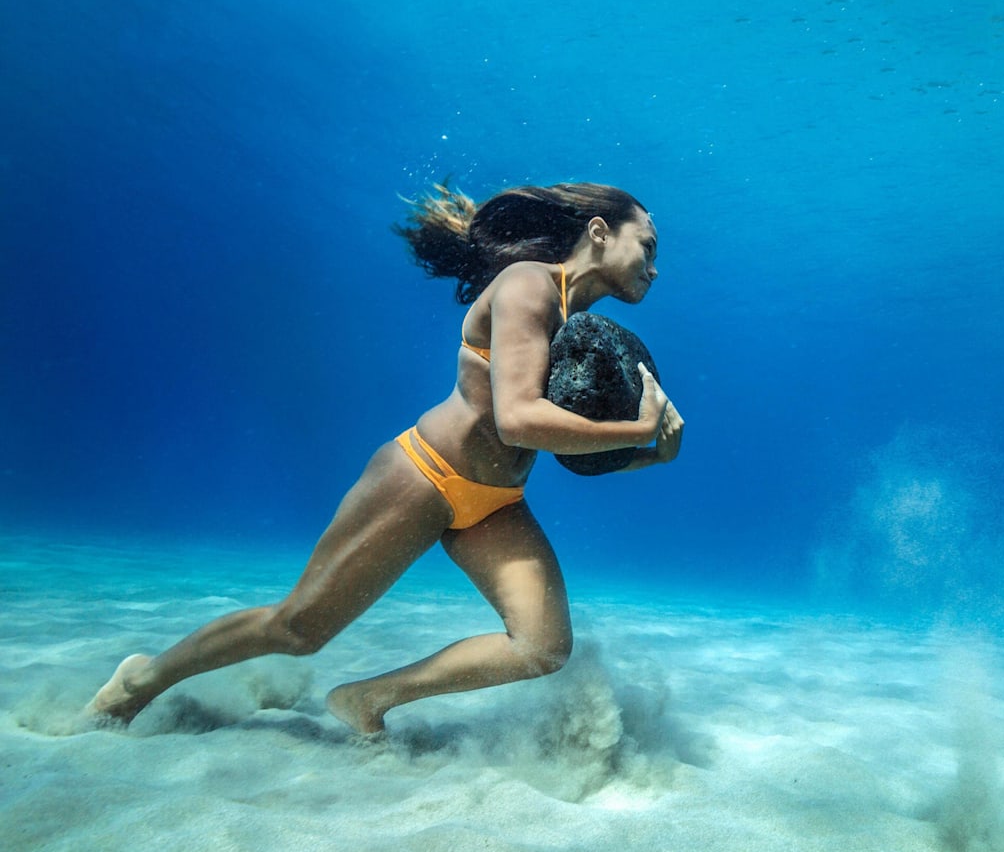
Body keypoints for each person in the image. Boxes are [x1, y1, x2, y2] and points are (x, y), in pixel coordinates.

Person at [86, 181, 683, 735]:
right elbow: (519, 418)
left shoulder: (575, 325)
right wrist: (636, 427)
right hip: (423, 476)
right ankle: (143, 677)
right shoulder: (529, 285)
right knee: (298, 629)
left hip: (497, 504)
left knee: (542, 647)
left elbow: (561, 446)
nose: (655, 269)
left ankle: (367, 699)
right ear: (601, 231)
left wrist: (651, 454)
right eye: (648, 247)